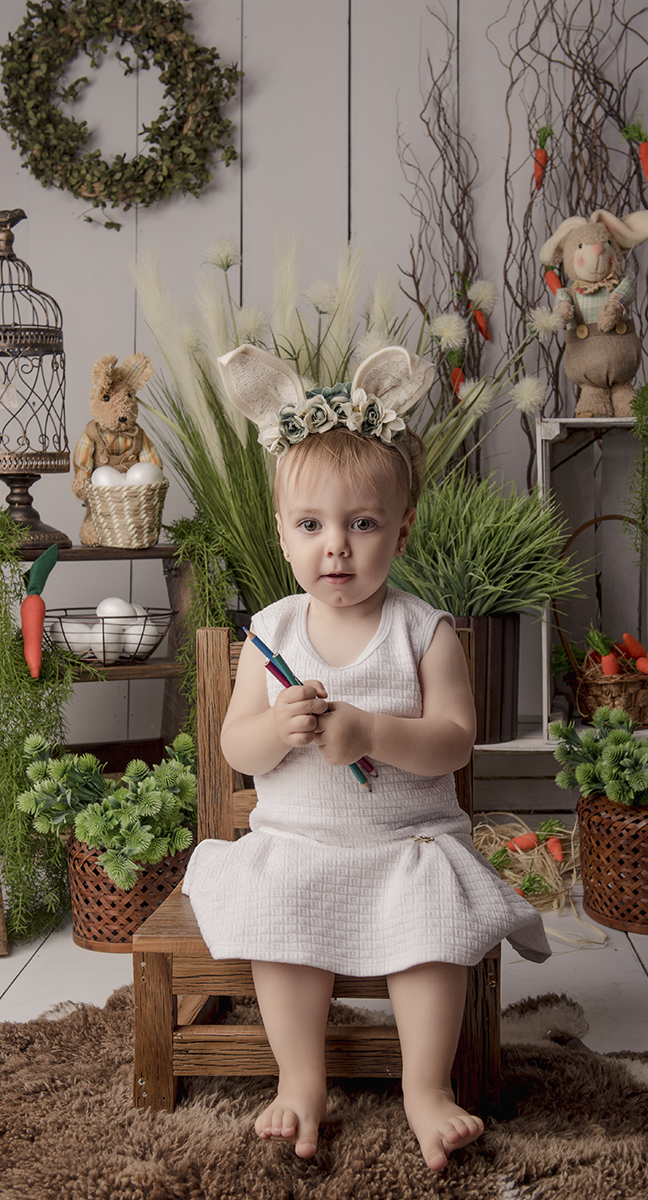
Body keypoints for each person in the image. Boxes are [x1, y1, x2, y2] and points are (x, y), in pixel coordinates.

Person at [183, 344, 551, 1171]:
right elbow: (235, 745)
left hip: (406, 847)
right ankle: (301, 1080)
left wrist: (374, 732)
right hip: (300, 846)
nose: (336, 547)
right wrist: (276, 728)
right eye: (312, 525)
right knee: (283, 937)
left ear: (402, 528)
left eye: (362, 523)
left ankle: (426, 1088)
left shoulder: (425, 630)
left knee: (431, 944)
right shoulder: (271, 633)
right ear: (282, 534)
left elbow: (455, 739)